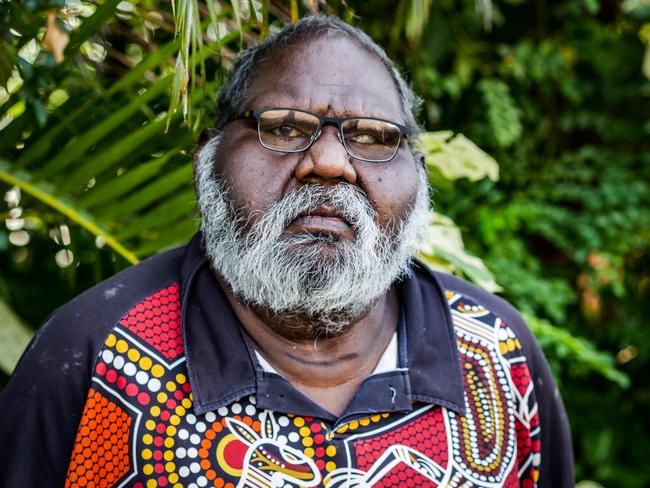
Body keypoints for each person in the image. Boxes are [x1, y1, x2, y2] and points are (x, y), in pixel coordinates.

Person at [0, 15, 573, 487]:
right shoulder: (94, 355)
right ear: (209, 158)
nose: (328, 163)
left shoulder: (499, 355)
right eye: (284, 127)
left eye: (373, 137)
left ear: (418, 175)